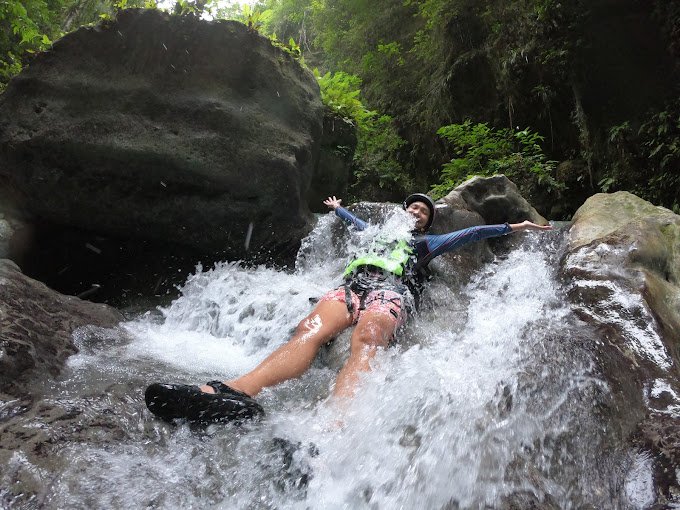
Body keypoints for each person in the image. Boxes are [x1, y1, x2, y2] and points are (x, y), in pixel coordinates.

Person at [145, 194, 552, 423]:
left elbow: (471, 233)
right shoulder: (376, 233)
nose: (416, 213)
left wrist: (515, 227)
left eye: (423, 213)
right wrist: (338, 209)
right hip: (351, 286)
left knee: (370, 337)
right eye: (412, 208)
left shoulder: (424, 244)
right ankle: (234, 392)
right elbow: (356, 225)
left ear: (426, 226)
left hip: (389, 292)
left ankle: (335, 424)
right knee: (309, 329)